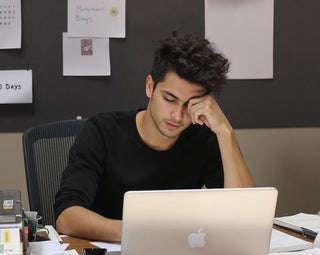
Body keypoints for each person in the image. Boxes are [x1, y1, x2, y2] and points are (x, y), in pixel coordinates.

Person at [54, 32, 254, 242]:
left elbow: (244, 218)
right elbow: (67, 217)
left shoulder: (203, 139)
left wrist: (225, 132)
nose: (177, 116)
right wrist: (144, 234)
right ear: (150, 87)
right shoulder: (102, 131)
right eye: (169, 99)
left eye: (190, 104)